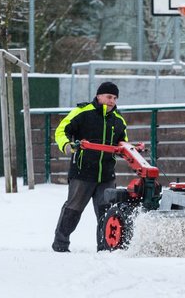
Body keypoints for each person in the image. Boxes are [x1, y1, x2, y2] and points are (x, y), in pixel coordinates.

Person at [52, 82, 128, 252]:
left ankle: (105, 247)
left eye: (115, 98)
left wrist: (128, 150)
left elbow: (123, 141)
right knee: (73, 209)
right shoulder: (82, 112)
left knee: (106, 212)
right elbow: (61, 130)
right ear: (99, 96)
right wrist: (66, 145)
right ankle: (60, 244)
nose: (112, 101)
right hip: (82, 172)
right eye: (109, 97)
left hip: (106, 175)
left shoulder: (119, 119)